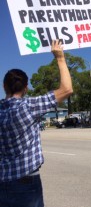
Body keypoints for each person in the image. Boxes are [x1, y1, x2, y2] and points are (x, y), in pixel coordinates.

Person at [0, 40, 73, 207]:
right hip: (26, 183)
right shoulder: (29, 106)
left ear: (4, 86)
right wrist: (60, 58)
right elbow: (67, 89)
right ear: (26, 88)